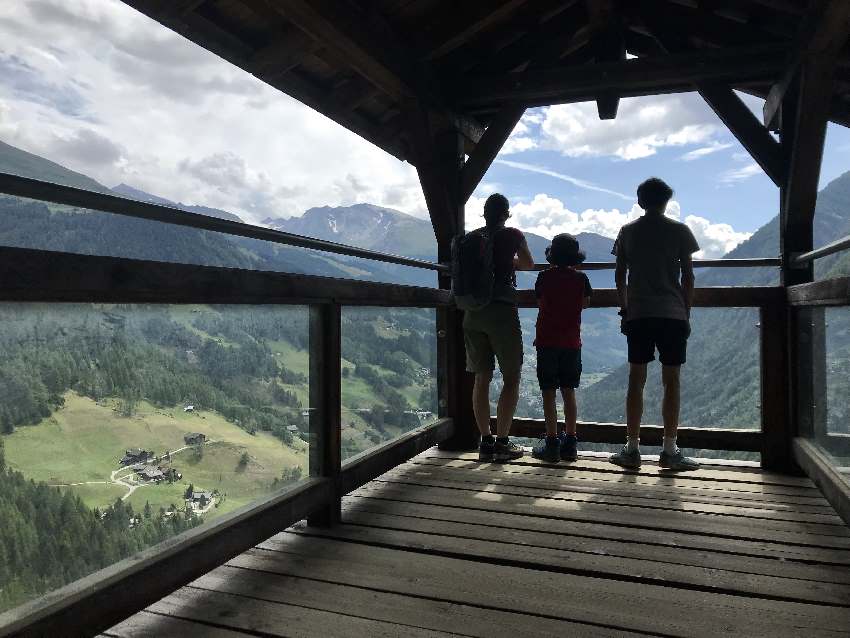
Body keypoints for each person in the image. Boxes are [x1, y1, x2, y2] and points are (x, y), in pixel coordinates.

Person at [609, 178, 700, 471]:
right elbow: (688, 276)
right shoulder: (680, 231)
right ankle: (669, 450)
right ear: (666, 201)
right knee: (671, 381)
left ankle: (632, 449)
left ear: (640, 201)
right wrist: (685, 310)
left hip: (639, 313)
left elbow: (619, 275)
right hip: (673, 314)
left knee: (636, 380)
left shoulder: (627, 232)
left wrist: (625, 309)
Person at [464, 193, 535, 463]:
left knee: (481, 378)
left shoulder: (471, 238)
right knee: (512, 377)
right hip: (502, 312)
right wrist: (511, 263)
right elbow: (528, 263)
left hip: (472, 312)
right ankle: (503, 443)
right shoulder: (513, 235)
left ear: (484, 214)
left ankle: (485, 442)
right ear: (506, 214)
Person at [531, 234, 592, 463]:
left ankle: (552, 443)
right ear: (575, 257)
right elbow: (585, 303)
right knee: (569, 391)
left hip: (547, 341)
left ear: (552, 256)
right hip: (571, 342)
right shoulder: (581, 278)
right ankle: (571, 443)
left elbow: (540, 301)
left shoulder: (543, 277)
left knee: (548, 392)